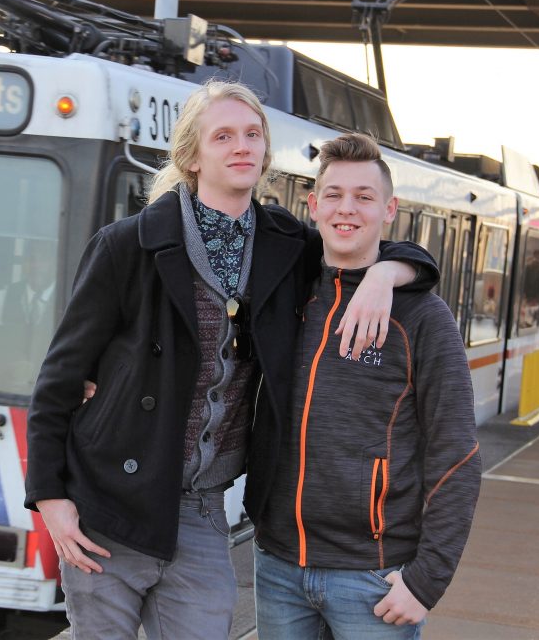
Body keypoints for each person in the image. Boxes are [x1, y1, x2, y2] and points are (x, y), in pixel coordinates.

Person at [24, 81, 437, 640]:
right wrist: (50, 498)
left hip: (201, 505)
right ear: (193, 157)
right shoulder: (126, 246)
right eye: (223, 136)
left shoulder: (287, 247)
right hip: (108, 503)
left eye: (252, 134)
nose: (242, 146)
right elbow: (59, 380)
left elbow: (366, 240)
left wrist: (390, 272)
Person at [251, 133, 481, 640]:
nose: (346, 209)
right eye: (333, 195)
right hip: (277, 567)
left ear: (390, 209)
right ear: (312, 206)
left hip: (372, 577)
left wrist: (427, 581)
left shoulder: (422, 317)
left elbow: (456, 454)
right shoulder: (288, 294)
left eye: (364, 196)